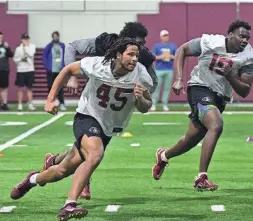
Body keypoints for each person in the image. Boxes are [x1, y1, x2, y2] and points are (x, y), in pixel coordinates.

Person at [11, 37, 153, 221]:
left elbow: (146, 106)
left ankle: (32, 180)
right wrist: (50, 98)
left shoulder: (140, 73)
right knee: (95, 154)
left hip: (108, 128)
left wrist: (140, 99)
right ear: (118, 54)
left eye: (137, 55)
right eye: (130, 54)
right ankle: (69, 205)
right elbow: (68, 69)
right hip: (87, 116)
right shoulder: (98, 64)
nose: (135, 59)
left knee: (61, 171)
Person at [42, 21, 157, 200]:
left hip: (116, 105)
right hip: (96, 95)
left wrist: (138, 95)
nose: (140, 51)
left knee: (87, 149)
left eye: (141, 47)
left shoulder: (144, 59)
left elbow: (152, 84)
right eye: (138, 44)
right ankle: (82, 186)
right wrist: (71, 77)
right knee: (93, 149)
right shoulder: (106, 42)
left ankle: (54, 160)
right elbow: (73, 47)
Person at [152, 20, 253, 191]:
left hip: (220, 97)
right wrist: (179, 78)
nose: (245, 40)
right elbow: (182, 50)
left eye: (247, 37)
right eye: (241, 36)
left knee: (191, 139)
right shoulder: (210, 42)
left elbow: (245, 91)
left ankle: (163, 155)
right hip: (199, 87)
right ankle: (202, 177)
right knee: (216, 125)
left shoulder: (249, 56)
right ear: (230, 34)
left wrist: (231, 76)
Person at [151, 30, 177, 111]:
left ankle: (164, 104)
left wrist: (170, 56)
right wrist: (161, 57)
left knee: (167, 88)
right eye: (164, 36)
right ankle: (153, 104)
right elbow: (153, 57)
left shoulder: (172, 46)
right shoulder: (157, 46)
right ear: (161, 37)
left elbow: (177, 56)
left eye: (167, 35)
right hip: (159, 69)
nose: (166, 37)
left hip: (169, 69)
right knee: (156, 88)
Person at [43, 31, 67, 111]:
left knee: (60, 88)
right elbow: (44, 57)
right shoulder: (49, 46)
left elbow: (65, 56)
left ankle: (62, 103)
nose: (55, 38)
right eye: (54, 36)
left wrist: (64, 66)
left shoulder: (62, 46)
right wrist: (47, 67)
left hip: (60, 70)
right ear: (52, 37)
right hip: (51, 70)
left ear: (59, 37)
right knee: (50, 87)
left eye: (57, 36)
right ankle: (51, 103)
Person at [13, 33, 36, 111]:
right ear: (22, 39)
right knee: (20, 88)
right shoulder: (18, 48)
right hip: (21, 70)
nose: (26, 40)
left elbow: (31, 54)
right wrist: (20, 59)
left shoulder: (32, 46)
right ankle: (20, 105)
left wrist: (25, 47)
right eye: (24, 39)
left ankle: (30, 104)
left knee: (30, 88)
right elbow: (15, 59)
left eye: (27, 39)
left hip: (29, 69)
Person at [0, 32, 13, 110]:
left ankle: (4, 104)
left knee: (4, 87)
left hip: (4, 69)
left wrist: (8, 48)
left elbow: (11, 55)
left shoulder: (5, 46)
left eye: (1, 37)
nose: (0, 39)